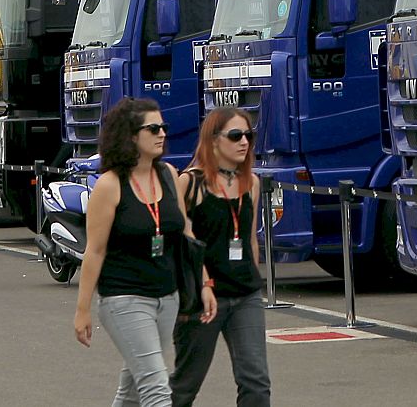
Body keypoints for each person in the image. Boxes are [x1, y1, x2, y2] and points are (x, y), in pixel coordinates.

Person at [74, 98, 212, 407]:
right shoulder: (110, 185)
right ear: (131, 135)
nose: (162, 133)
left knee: (134, 389)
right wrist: (82, 309)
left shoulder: (168, 174)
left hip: (167, 296)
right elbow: (95, 251)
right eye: (153, 128)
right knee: (155, 387)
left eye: (164, 127)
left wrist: (204, 282)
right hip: (124, 298)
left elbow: (184, 232)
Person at [170, 107, 270, 407]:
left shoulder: (251, 183)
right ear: (214, 141)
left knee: (256, 380)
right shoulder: (190, 183)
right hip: (205, 296)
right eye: (236, 136)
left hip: (245, 293)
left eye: (248, 136)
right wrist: (202, 284)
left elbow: (251, 239)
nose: (244, 143)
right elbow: (183, 243)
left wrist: (255, 278)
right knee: (187, 383)